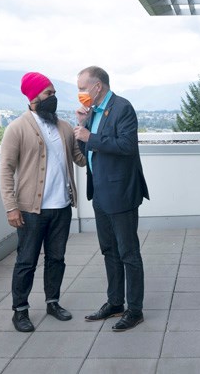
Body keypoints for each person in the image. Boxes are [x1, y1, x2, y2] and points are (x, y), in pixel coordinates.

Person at [0, 72, 87, 332]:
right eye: (49, 93)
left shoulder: (63, 126)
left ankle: (52, 302)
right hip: (30, 210)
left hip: (61, 207)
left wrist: (86, 127)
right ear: (33, 96)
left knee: (56, 259)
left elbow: (80, 159)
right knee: (26, 261)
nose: (54, 98)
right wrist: (10, 206)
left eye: (54, 93)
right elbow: (6, 169)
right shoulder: (17, 128)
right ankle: (20, 311)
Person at [74, 66, 149, 332]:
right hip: (101, 194)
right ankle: (115, 302)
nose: (80, 93)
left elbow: (127, 146)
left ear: (98, 86)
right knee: (109, 251)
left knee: (128, 253)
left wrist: (90, 136)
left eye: (83, 87)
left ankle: (135, 310)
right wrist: (83, 127)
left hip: (120, 194)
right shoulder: (92, 112)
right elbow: (87, 151)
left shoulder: (122, 108)